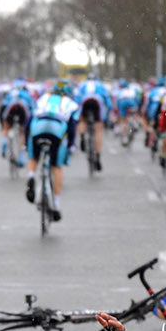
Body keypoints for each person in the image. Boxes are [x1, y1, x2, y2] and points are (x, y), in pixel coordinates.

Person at [23, 79, 81, 222]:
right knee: (56, 167)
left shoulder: (42, 99)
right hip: (57, 130)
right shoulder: (71, 103)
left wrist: (26, 141)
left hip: (38, 127)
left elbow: (28, 121)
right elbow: (72, 128)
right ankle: (56, 203)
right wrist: (71, 146)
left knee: (33, 158)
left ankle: (31, 175)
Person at [76, 73, 113, 168]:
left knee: (82, 120)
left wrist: (77, 113)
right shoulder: (100, 84)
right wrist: (107, 114)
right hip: (97, 102)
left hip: (85, 101)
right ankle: (98, 156)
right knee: (98, 131)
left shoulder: (82, 84)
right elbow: (107, 100)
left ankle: (82, 137)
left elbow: (77, 99)